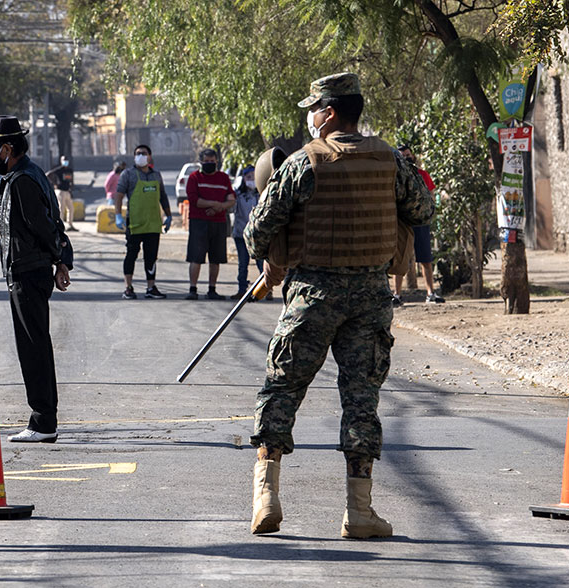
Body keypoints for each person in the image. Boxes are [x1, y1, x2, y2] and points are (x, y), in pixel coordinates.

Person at [244, 73, 434, 538]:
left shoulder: (304, 163)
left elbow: (258, 228)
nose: (310, 116)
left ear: (328, 114)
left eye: (314, 108)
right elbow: (423, 211)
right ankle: (360, 512)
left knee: (282, 389)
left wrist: (270, 257)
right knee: (361, 401)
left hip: (311, 296)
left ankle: (266, 497)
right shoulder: (389, 160)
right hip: (370, 299)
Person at [0, 115, 73, 443]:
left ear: (7, 148)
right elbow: (50, 223)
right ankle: (44, 418)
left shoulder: (22, 180)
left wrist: (61, 260)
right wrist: (61, 260)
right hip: (27, 269)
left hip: (28, 271)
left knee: (33, 348)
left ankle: (43, 421)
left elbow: (46, 226)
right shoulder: (23, 176)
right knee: (36, 344)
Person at [114, 144, 172, 299]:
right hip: (134, 224)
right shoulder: (128, 174)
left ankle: (151, 287)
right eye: (138, 153)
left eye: (144, 153)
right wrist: (118, 215)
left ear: (150, 156)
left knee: (151, 256)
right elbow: (118, 195)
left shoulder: (156, 175)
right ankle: (128, 287)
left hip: (153, 224)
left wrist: (168, 215)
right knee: (131, 255)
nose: (140, 156)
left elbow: (163, 196)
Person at [393, 144, 445, 306]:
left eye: (408, 155)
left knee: (425, 259)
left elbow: (431, 195)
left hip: (420, 221)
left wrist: (428, 213)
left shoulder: (423, 175)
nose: (407, 157)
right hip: (402, 223)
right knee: (400, 260)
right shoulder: (395, 177)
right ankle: (396, 294)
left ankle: (430, 293)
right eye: (403, 155)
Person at [185, 148, 235, 300]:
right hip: (199, 222)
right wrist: (215, 204)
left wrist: (219, 207)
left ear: (217, 162)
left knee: (216, 258)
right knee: (196, 257)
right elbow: (194, 200)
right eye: (206, 161)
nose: (209, 164)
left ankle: (212, 289)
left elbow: (231, 199)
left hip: (218, 223)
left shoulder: (223, 178)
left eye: (212, 161)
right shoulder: (194, 178)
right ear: (200, 162)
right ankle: (193, 289)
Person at [231, 165, 264, 299]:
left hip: (258, 235)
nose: (251, 180)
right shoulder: (238, 195)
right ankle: (242, 289)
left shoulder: (262, 195)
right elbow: (231, 209)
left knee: (261, 263)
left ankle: (265, 290)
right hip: (241, 234)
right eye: (248, 177)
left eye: (253, 177)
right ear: (243, 178)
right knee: (243, 263)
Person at [47, 155, 76, 231]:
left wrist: (71, 188)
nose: (65, 161)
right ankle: (60, 225)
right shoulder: (59, 170)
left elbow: (71, 180)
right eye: (64, 160)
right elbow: (48, 174)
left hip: (67, 191)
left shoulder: (70, 170)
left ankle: (70, 224)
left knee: (71, 208)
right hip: (60, 191)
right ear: (61, 161)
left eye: (66, 160)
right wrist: (54, 183)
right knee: (61, 208)